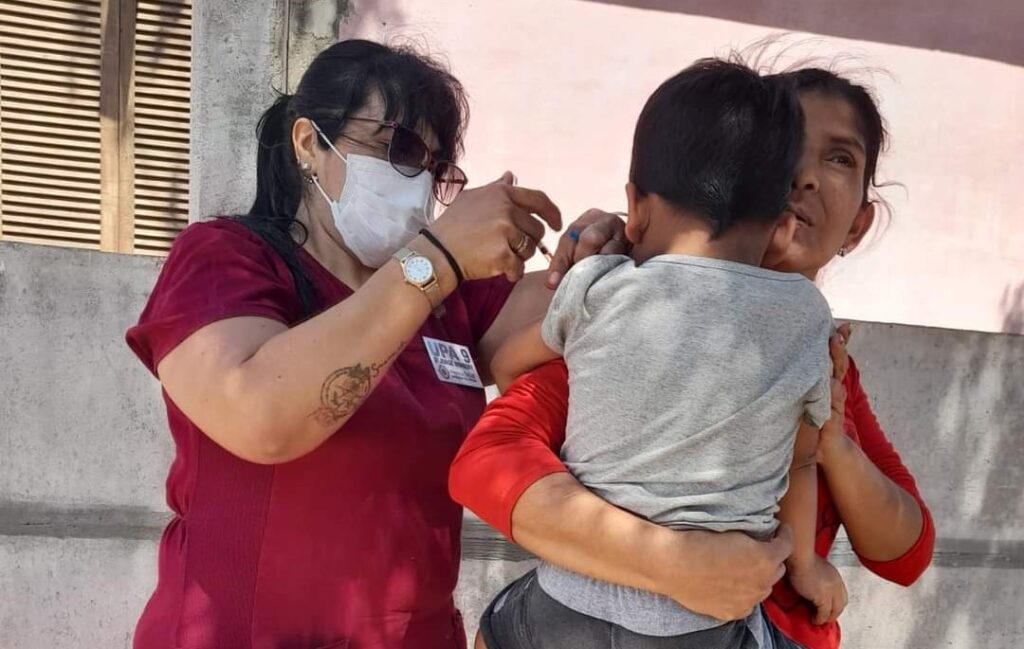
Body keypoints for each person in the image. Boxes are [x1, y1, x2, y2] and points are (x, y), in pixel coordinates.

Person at [125, 39, 628, 649]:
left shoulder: (451, 299)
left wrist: (599, 252)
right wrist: (435, 258)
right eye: (400, 148)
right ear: (309, 143)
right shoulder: (228, 257)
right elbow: (260, 416)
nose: (420, 181)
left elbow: (558, 315)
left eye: (437, 167)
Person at [450, 66, 935, 649]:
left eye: (839, 159)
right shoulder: (640, 323)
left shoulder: (831, 362)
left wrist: (833, 442)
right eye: (787, 153)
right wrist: (675, 564)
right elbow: (486, 464)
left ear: (858, 223)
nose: (803, 176)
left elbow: (907, 555)